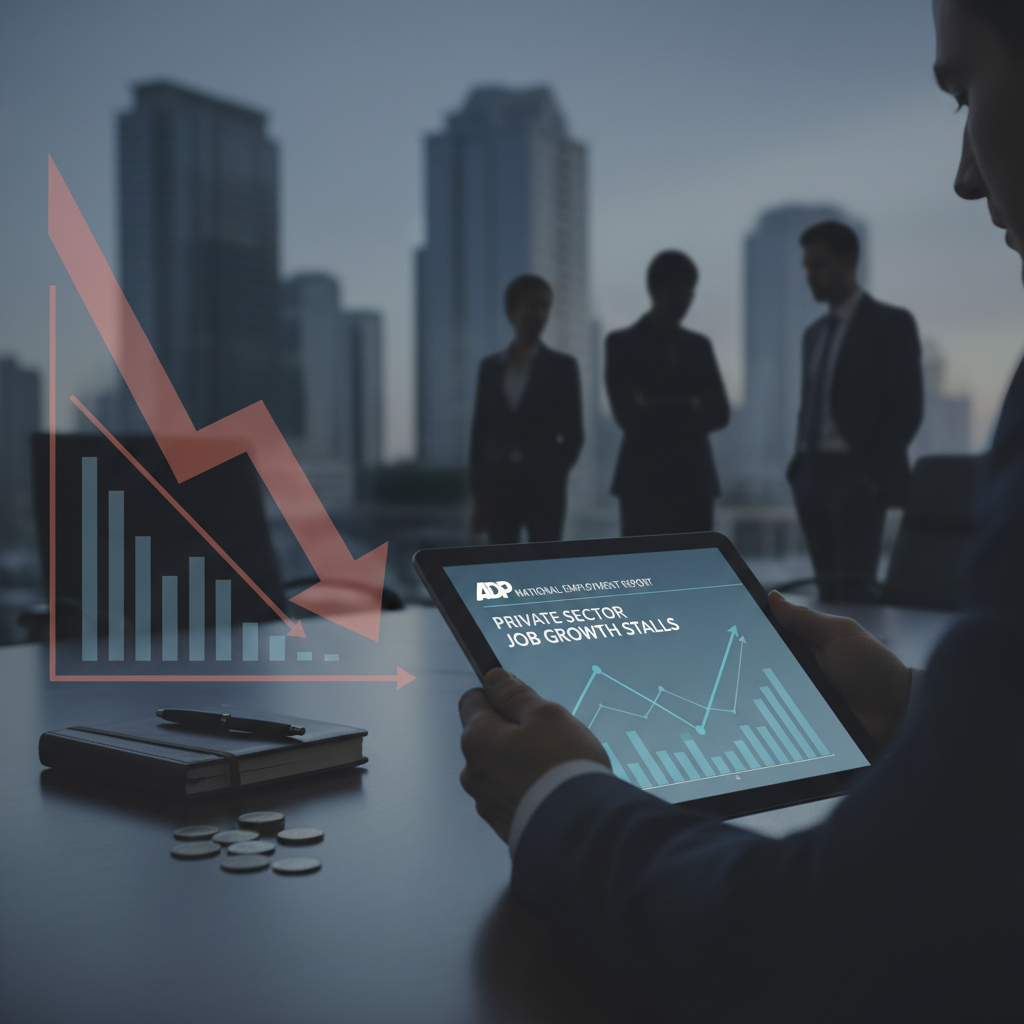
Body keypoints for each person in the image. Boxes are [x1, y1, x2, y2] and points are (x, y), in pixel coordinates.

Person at [456, 2, 1023, 1020]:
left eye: (961, 91)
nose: (966, 174)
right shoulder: (628, 347)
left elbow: (835, 935)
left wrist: (556, 799)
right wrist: (909, 703)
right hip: (699, 488)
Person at [788, 221, 923, 601]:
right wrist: (799, 471)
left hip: (856, 477)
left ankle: (859, 662)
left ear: (849, 260)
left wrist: (872, 477)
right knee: (825, 592)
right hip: (811, 473)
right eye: (807, 267)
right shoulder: (813, 334)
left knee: (855, 593)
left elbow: (907, 408)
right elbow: (809, 404)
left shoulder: (889, 324)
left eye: (820, 265)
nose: (811, 276)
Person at [605, 251, 729, 536]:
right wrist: (693, 404)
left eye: (690, 291)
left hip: (693, 484)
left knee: (693, 575)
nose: (685, 299)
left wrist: (653, 405)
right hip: (645, 485)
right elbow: (629, 417)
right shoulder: (621, 344)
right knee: (646, 575)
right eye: (677, 290)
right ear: (654, 289)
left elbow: (720, 414)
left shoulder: (700, 346)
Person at [469, 274, 583, 544]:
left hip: (544, 486)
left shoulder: (562, 367)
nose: (540, 314)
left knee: (544, 567)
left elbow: (574, 434)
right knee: (501, 567)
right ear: (513, 310)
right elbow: (480, 434)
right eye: (532, 305)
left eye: (545, 306)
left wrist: (554, 472)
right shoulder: (490, 369)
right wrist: (479, 497)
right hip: (498, 485)